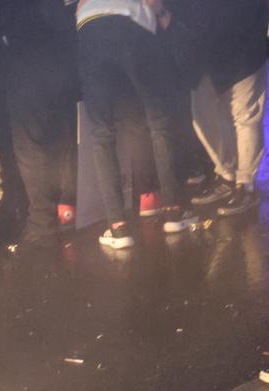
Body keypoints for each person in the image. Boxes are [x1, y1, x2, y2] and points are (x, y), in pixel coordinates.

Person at [76, 0, 199, 250]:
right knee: (157, 121)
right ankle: (173, 212)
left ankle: (118, 228)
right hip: (133, 24)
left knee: (102, 133)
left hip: (89, 28)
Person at [181, 0, 267, 218]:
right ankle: (228, 173)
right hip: (209, 51)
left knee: (245, 116)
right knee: (203, 113)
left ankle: (245, 183)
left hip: (244, 45)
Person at [5, 0, 79, 253]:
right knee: (63, 134)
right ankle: (67, 207)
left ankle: (42, 223)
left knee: (30, 145)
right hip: (62, 57)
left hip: (26, 57)